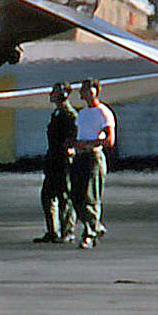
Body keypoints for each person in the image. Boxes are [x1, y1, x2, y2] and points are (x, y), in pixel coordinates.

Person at [70, 78, 116, 249]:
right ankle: (95, 226)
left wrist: (89, 143)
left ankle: (89, 233)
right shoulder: (82, 114)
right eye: (83, 90)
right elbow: (78, 135)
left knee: (91, 196)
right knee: (75, 196)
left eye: (89, 89)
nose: (85, 93)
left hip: (93, 156)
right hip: (80, 156)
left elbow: (109, 140)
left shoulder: (103, 112)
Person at [35, 82, 77, 244]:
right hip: (53, 160)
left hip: (63, 161)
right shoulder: (57, 113)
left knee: (64, 196)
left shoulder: (69, 114)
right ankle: (52, 231)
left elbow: (72, 137)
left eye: (54, 92)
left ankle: (68, 231)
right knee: (47, 196)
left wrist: (68, 150)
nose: (50, 94)